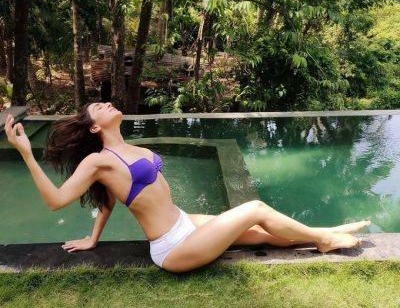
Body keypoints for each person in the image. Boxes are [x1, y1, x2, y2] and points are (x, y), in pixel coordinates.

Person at [5, 104, 369, 272]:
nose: (107, 103)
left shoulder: (128, 149)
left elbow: (107, 201)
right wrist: (26, 154)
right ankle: (324, 239)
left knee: (261, 234)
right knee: (255, 210)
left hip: (185, 222)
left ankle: (324, 231)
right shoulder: (98, 161)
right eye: (99, 107)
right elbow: (56, 201)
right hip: (172, 248)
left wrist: (93, 237)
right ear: (95, 127)